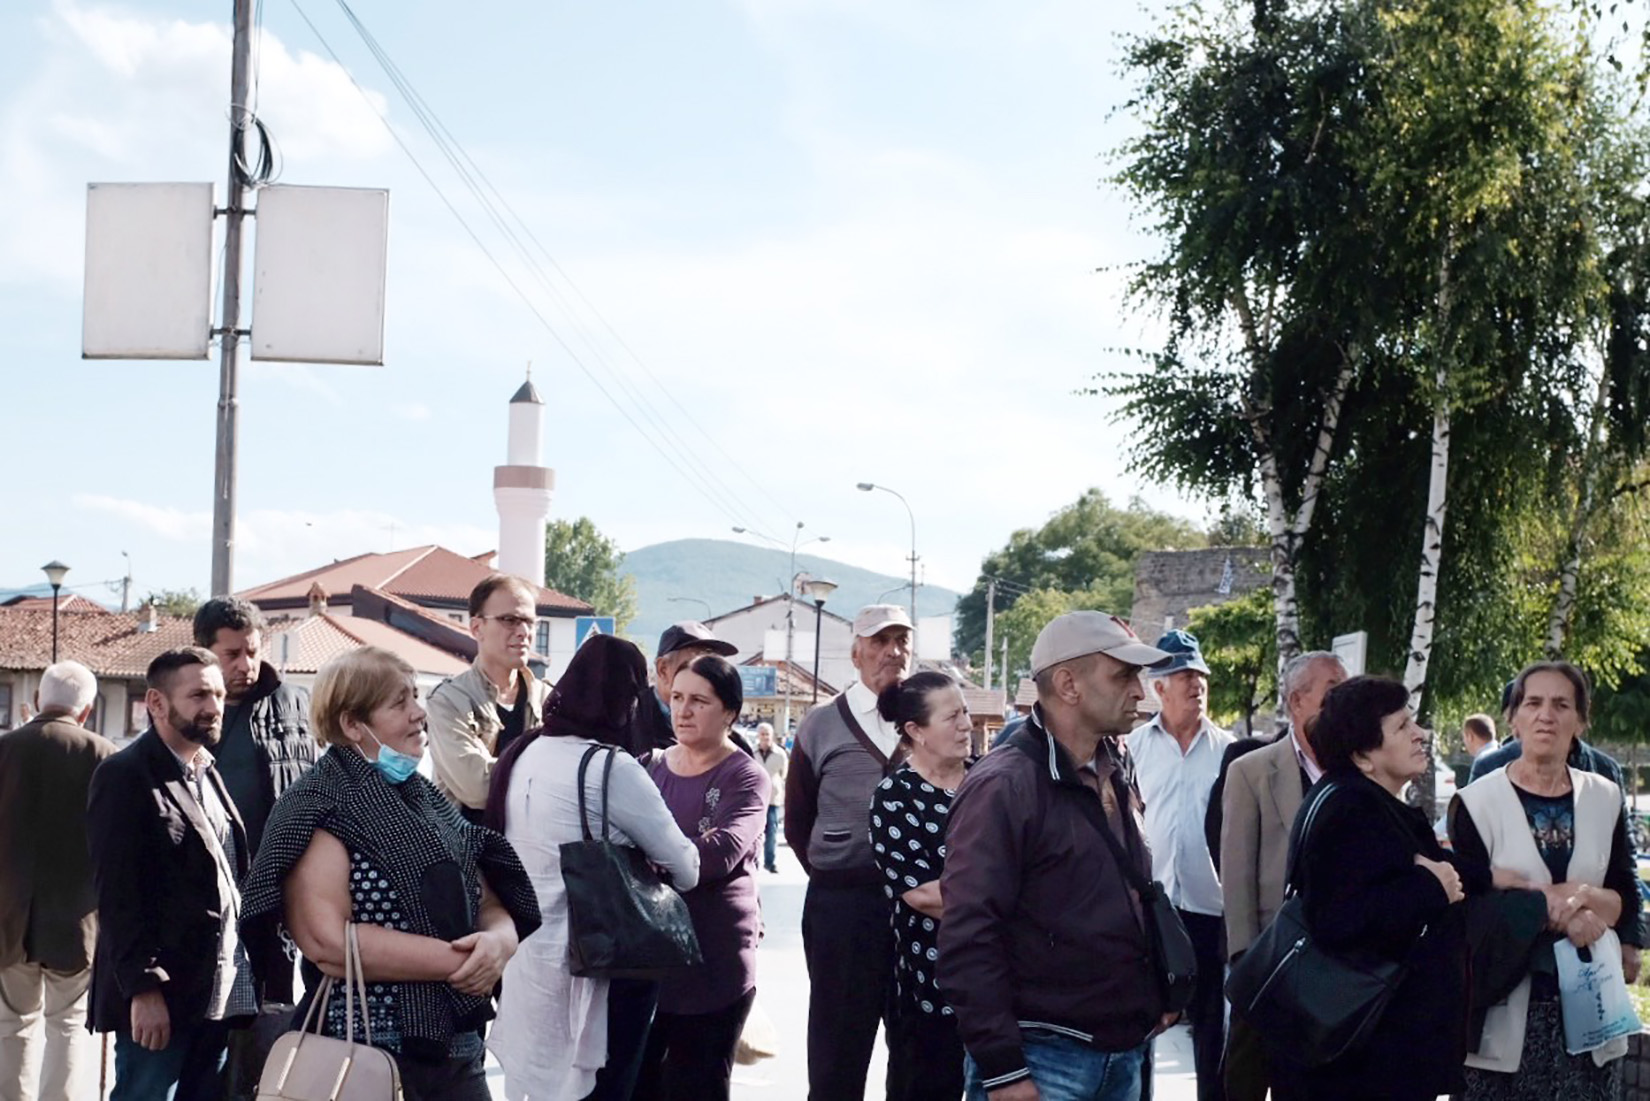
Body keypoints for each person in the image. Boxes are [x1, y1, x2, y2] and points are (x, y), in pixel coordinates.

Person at [239, 647, 541, 1101]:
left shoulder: (427, 799)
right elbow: (326, 942)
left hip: (456, 1048)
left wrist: (500, 941)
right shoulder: (318, 805)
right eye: (399, 703)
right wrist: (463, 964)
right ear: (352, 724)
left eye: (415, 696)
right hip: (362, 1056)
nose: (419, 712)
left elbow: (488, 896)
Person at [940, 611, 1176, 1101]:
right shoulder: (1004, 785)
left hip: (1122, 1048)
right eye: (1124, 675)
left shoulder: (1114, 763)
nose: (1140, 691)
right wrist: (1004, 1071)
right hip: (1043, 1058)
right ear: (1069, 684)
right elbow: (968, 935)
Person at [483, 634, 700, 1101]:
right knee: (598, 1086)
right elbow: (686, 868)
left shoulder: (520, 753)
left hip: (524, 961)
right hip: (596, 968)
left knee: (535, 1084)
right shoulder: (609, 767)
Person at [1272, 675, 1484, 1100]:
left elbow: (1398, 868)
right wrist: (1431, 885)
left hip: (1371, 1050)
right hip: (1360, 1059)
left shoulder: (1361, 801)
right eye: (1403, 726)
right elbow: (1340, 919)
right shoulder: (1351, 809)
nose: (1420, 734)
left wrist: (1492, 876)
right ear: (1363, 756)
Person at [86, 648, 276, 1100]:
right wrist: (144, 989)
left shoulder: (206, 771)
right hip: (162, 999)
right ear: (156, 703)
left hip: (216, 993)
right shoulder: (125, 776)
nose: (213, 706)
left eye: (217, 694)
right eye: (198, 695)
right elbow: (118, 896)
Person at [1450, 661, 1644, 1099]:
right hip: (1506, 1010)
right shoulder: (1475, 802)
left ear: (1580, 720)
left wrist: (1577, 897)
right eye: (1533, 703)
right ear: (1513, 717)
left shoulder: (1604, 794)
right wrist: (1558, 913)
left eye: (1562, 704)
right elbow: (1469, 907)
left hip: (1592, 1010)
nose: (1546, 715)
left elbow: (1623, 895)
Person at [785, 603, 914, 1101]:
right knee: (838, 1050)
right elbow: (798, 820)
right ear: (856, 652)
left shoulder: (927, 714)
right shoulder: (821, 724)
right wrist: (837, 869)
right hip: (843, 908)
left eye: (901, 641)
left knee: (916, 1047)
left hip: (918, 909)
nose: (892, 652)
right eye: (880, 642)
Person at [193, 597, 319, 1095]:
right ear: (204, 652)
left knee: (270, 1020)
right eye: (231, 655)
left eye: (251, 650)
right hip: (210, 892)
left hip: (280, 888)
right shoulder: (192, 708)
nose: (245, 665)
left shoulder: (292, 701)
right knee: (210, 1024)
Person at [636, 655, 770, 1101]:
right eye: (676, 698)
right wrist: (683, 847)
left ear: (730, 712)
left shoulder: (746, 775)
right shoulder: (648, 767)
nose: (683, 710)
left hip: (716, 961)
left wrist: (648, 853)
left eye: (699, 701)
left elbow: (720, 853)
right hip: (650, 958)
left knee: (699, 1086)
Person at [1218, 649, 1346, 1101]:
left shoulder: (1358, 772)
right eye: (1332, 692)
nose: (1343, 702)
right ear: (1296, 703)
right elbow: (1236, 875)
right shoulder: (1251, 771)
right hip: (1269, 962)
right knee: (1248, 1081)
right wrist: (1245, 962)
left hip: (1338, 970)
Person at [1123, 630, 1231, 1101]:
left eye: (1201, 675)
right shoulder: (1132, 748)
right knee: (1146, 1020)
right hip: (1154, 910)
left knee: (1212, 1027)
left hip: (1212, 906)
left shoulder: (1230, 751)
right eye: (1184, 675)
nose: (1197, 685)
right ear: (1158, 687)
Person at [0, 662, 115, 1101]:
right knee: (68, 1024)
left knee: (13, 1024)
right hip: (76, 916)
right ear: (86, 710)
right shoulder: (106, 756)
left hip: (10, 914)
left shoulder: (5, 749)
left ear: (36, 702)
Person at [869, 671, 973, 1101]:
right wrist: (1009, 900)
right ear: (916, 730)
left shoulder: (992, 780)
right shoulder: (895, 796)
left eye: (965, 712)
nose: (967, 724)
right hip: (930, 989)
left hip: (1004, 988)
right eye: (952, 717)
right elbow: (923, 894)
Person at [425, 574, 552, 821]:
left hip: (532, 852)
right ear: (476, 627)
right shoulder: (448, 700)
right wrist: (546, 775)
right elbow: (476, 787)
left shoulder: (548, 699)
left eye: (530, 621)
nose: (523, 632)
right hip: (469, 852)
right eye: (510, 620)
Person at [627, 622, 740, 755]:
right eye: (694, 667)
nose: (707, 677)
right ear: (663, 669)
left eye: (712, 668)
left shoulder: (731, 743)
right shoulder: (627, 721)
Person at [755, 722, 787, 873]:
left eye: (767, 734)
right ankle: (753, 860)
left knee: (772, 832)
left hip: (773, 798)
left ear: (772, 736)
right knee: (754, 833)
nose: (765, 737)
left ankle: (770, 862)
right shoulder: (752, 753)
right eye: (762, 734)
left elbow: (784, 774)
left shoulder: (780, 754)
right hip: (755, 799)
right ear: (758, 736)